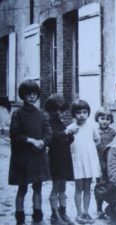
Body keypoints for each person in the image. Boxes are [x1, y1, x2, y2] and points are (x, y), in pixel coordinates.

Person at [9, 79, 52, 225]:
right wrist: (31, 140)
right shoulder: (17, 114)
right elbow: (15, 134)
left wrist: (43, 141)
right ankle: (20, 216)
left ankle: (37, 214)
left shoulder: (41, 115)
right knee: (23, 187)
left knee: (38, 187)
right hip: (23, 158)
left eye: (34, 94)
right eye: (28, 94)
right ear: (23, 96)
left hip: (38, 157)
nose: (32, 97)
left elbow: (48, 133)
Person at [67, 100, 101, 224]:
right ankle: (79, 212)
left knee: (87, 188)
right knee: (78, 188)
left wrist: (90, 149)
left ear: (88, 113)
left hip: (88, 160)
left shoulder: (91, 126)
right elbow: (67, 142)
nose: (82, 115)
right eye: (78, 112)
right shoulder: (71, 128)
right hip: (77, 160)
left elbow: (97, 140)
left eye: (84, 112)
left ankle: (86, 212)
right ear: (74, 114)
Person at [45, 94, 77, 225]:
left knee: (63, 186)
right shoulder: (49, 122)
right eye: (57, 110)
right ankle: (54, 215)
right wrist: (67, 132)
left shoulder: (60, 122)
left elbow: (66, 140)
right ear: (51, 110)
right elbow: (52, 138)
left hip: (64, 158)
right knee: (56, 185)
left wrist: (71, 135)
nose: (60, 113)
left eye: (62, 110)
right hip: (55, 159)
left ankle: (63, 213)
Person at [93, 106, 116, 219]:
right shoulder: (94, 132)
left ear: (111, 120)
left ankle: (112, 207)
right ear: (97, 119)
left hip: (110, 164)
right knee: (100, 186)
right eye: (102, 118)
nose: (105, 121)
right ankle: (99, 208)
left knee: (112, 185)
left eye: (108, 119)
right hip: (98, 163)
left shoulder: (113, 133)